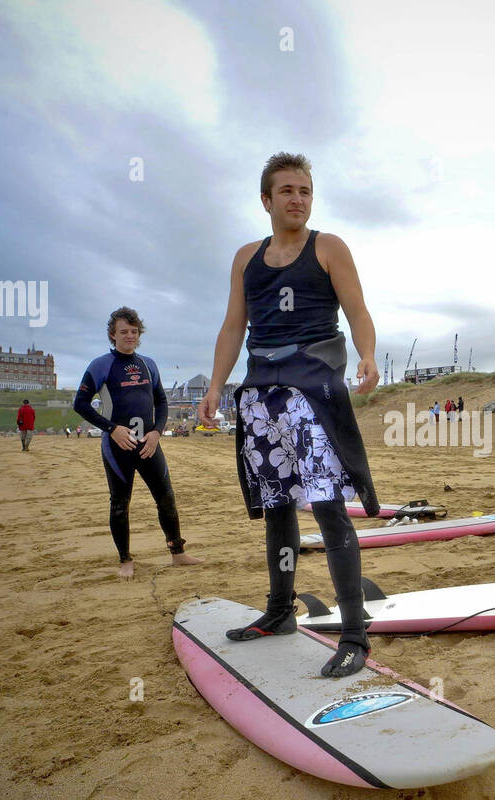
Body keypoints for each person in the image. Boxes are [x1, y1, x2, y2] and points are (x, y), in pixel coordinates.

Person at [199, 152, 380, 678]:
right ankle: (280, 610)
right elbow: (234, 327)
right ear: (266, 200)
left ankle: (353, 635)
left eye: (304, 190)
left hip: (311, 387)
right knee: (276, 504)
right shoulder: (245, 259)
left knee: (326, 506)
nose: (297, 199)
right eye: (287, 191)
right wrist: (215, 386)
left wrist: (367, 354)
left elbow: (357, 310)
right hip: (260, 392)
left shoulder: (328, 247)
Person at [74, 306, 205, 580]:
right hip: (118, 447)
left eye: (134, 332)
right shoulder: (101, 365)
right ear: (113, 335)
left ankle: (177, 553)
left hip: (148, 444)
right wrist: (111, 429)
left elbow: (161, 401)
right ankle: (125, 560)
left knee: (166, 498)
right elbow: (81, 404)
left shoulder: (148, 364)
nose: (130, 336)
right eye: (124, 332)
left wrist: (157, 432)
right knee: (120, 503)